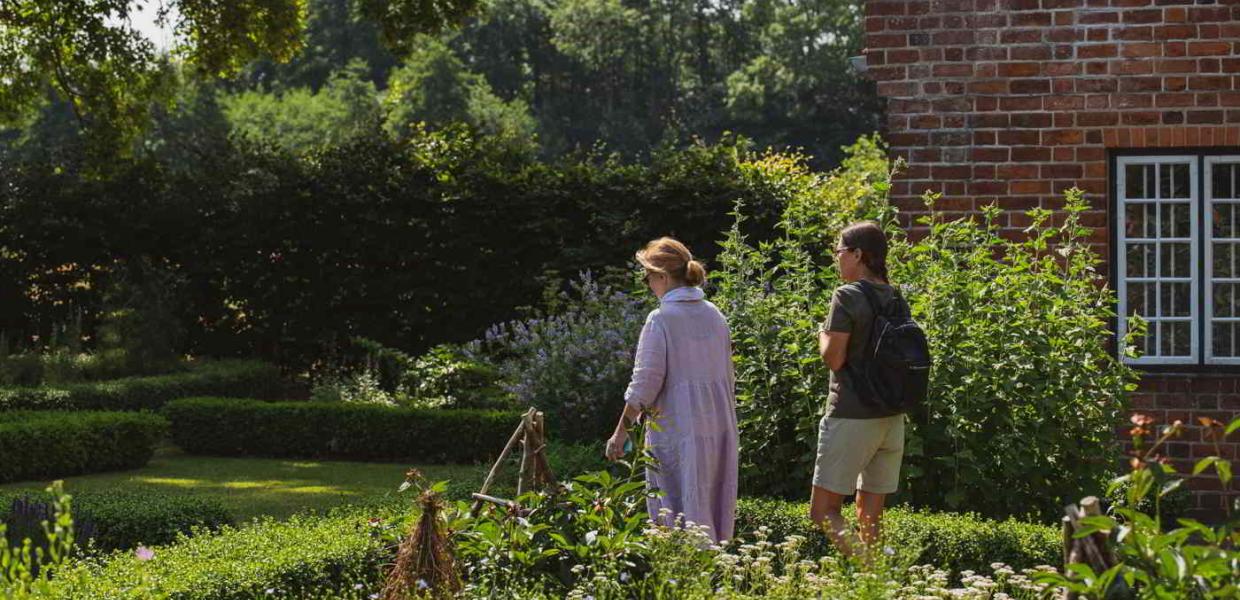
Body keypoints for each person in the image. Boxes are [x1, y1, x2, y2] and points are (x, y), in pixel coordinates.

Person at [605, 237, 739, 543]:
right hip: (718, 426)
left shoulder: (661, 319)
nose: (647, 283)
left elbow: (644, 384)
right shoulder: (715, 315)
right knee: (710, 507)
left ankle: (683, 576)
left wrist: (620, 433)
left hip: (678, 427)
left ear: (663, 277)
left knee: (675, 512)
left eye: (648, 276)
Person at [810, 221, 906, 557]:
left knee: (823, 511)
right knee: (870, 514)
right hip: (891, 418)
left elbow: (834, 359)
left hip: (851, 414)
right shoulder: (895, 296)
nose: (837, 258)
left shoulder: (847, 295)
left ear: (857, 254)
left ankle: (876, 578)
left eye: (839, 251)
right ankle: (875, 581)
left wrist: (822, 334)